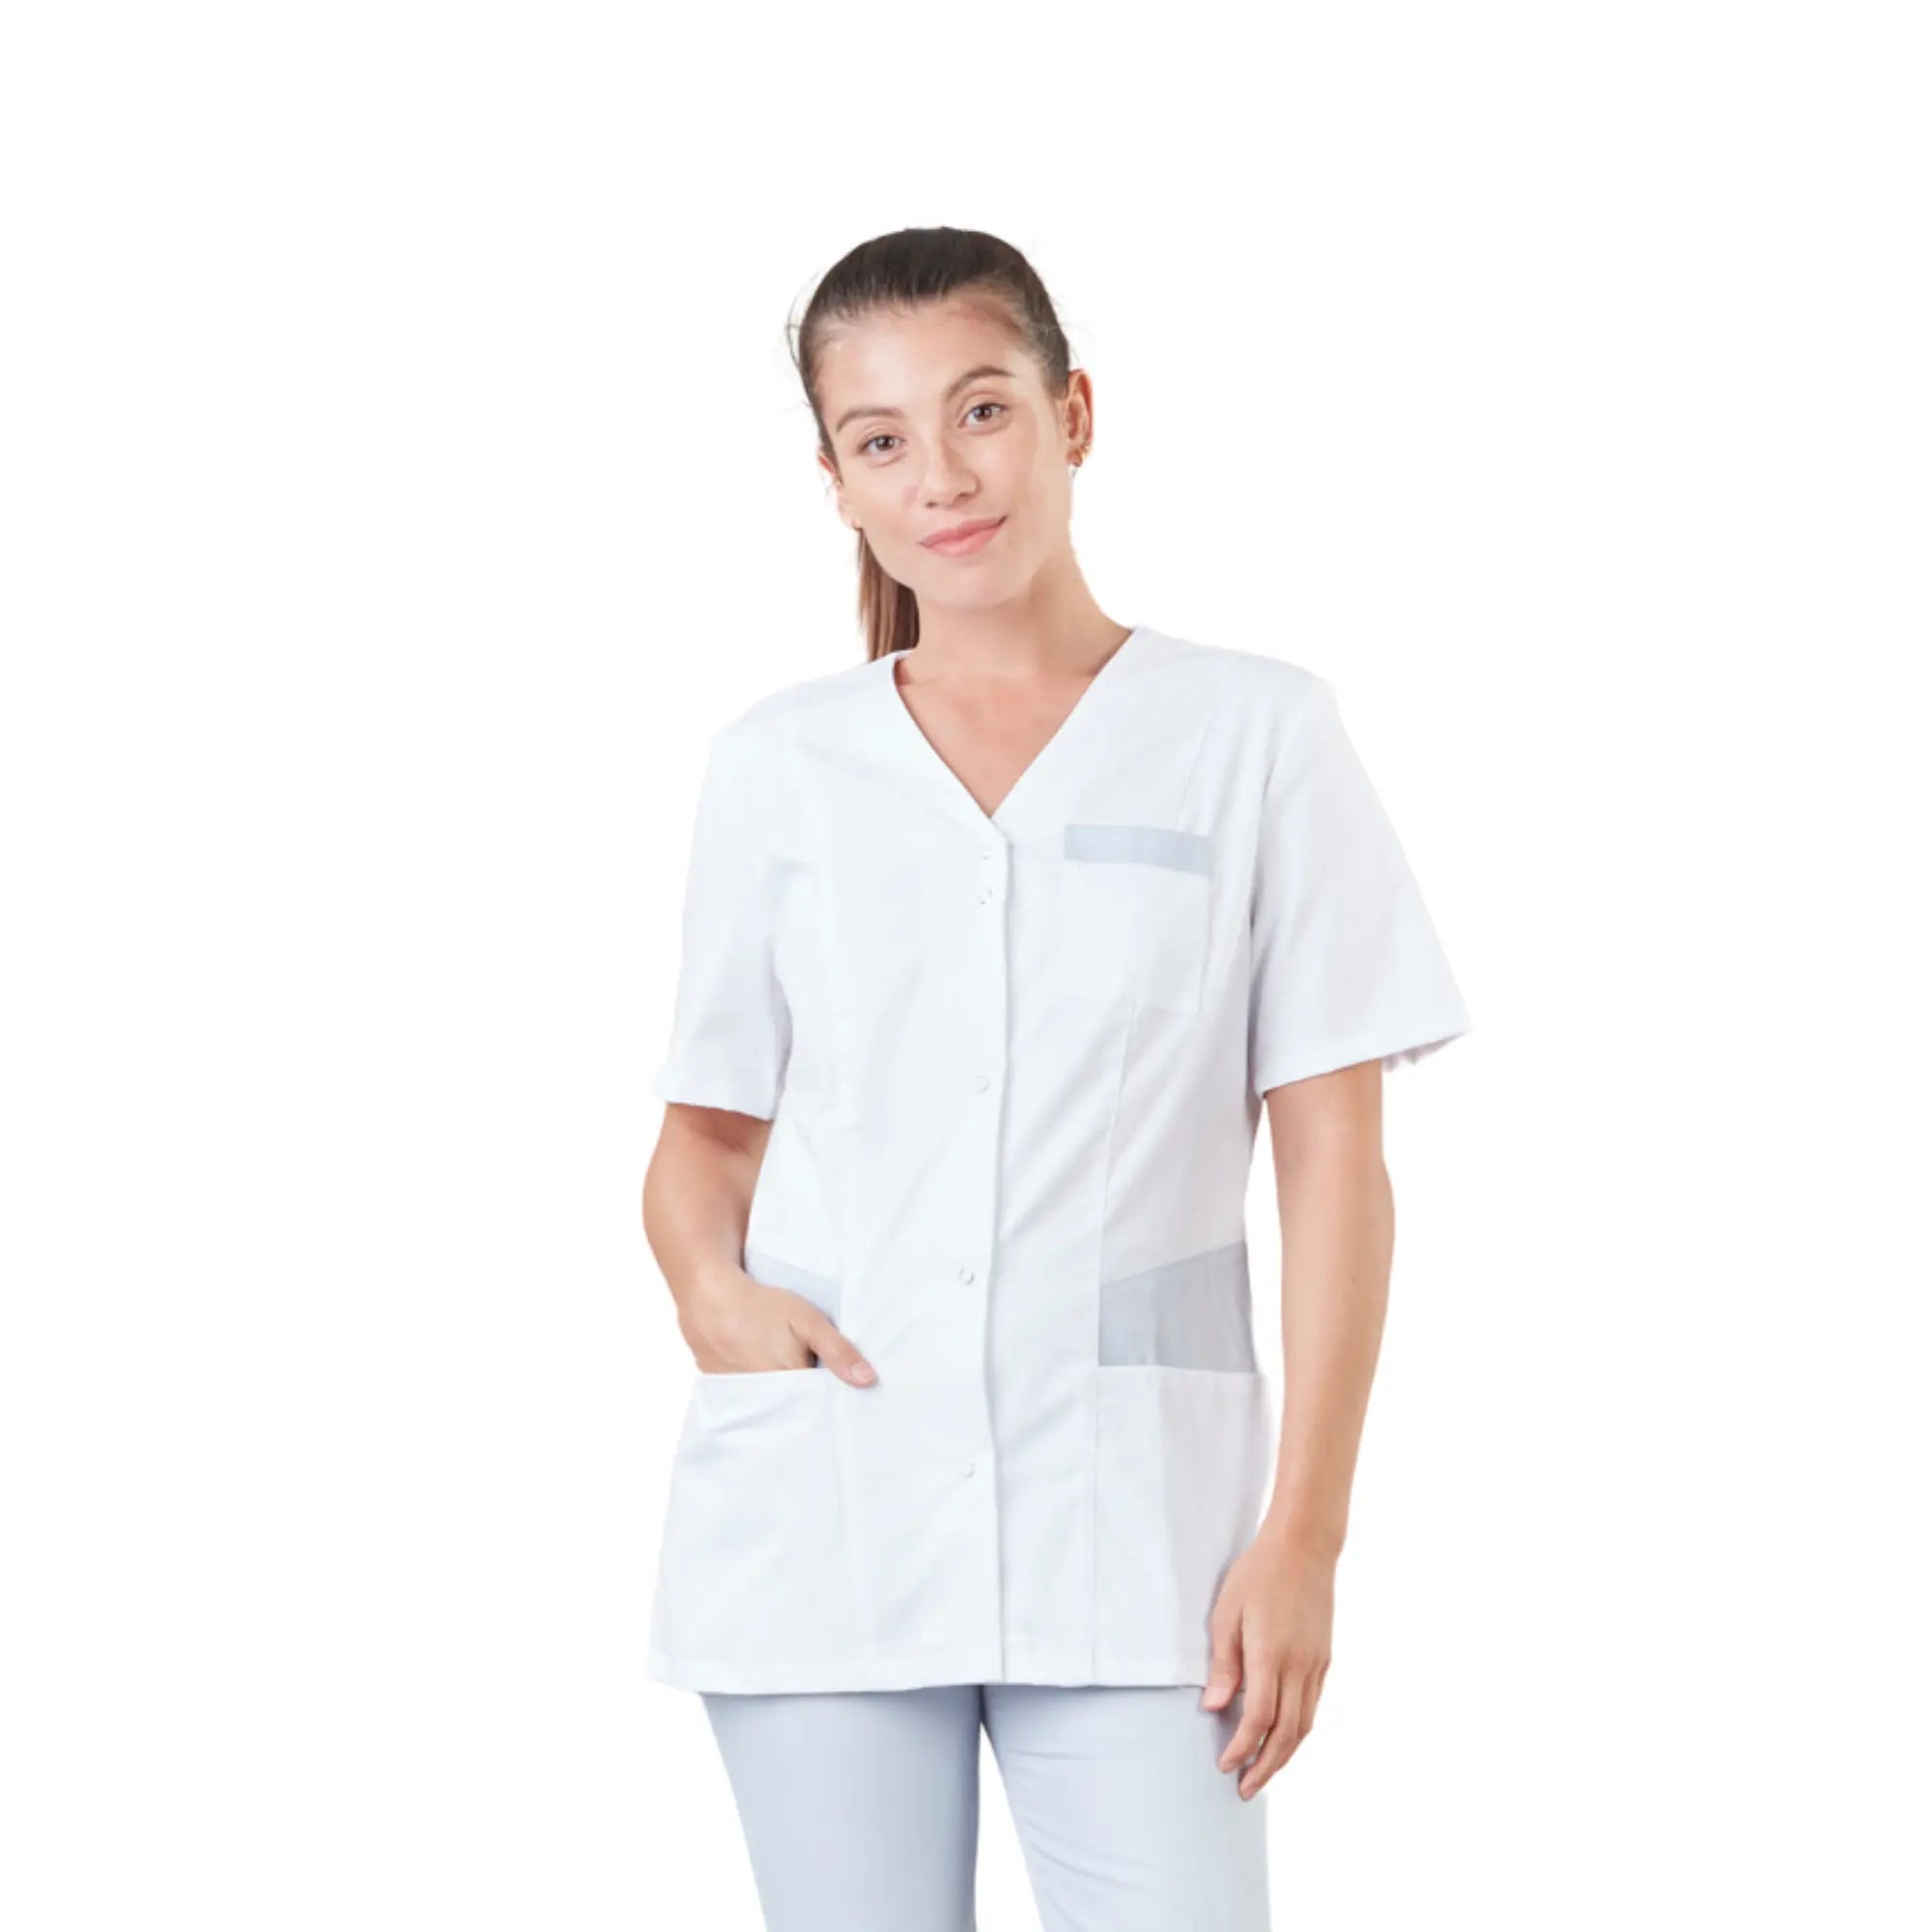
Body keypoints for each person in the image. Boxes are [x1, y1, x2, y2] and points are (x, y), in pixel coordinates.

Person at [639, 226, 1472, 1932]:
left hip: (1145, 1536)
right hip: (828, 1514)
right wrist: (708, 1293)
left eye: (982, 411)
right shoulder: (777, 766)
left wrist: (1305, 1537)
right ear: (834, 482)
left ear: (1073, 413)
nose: (941, 478)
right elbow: (706, 1133)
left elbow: (1334, 1165)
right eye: (880, 438)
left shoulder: (1256, 734)